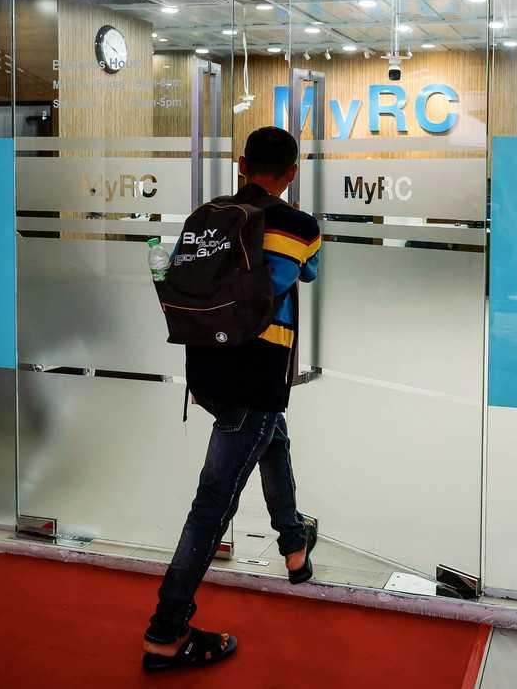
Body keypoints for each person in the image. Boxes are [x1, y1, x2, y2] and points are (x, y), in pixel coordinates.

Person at [142, 126, 322, 674]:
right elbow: (306, 273)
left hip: (208, 366)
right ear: (292, 172)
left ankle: (294, 545)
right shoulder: (300, 226)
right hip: (258, 372)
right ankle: (165, 633)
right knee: (212, 506)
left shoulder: (210, 214)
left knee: (273, 438)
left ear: (242, 165)